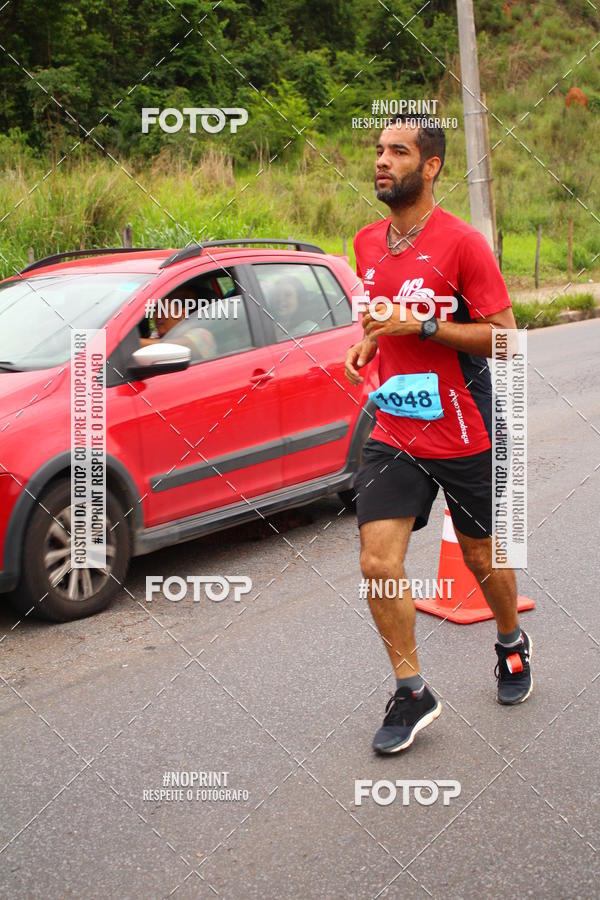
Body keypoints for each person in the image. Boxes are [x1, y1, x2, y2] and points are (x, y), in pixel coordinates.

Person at [344, 114, 532, 755]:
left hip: (464, 427)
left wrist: (423, 327)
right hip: (396, 426)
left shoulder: (463, 245)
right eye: (379, 150)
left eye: (398, 151)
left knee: (481, 559)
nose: (381, 160)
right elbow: (380, 320)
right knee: (377, 562)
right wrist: (368, 344)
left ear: (430, 167)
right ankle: (411, 690)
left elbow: (506, 341)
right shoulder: (365, 242)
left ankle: (509, 639)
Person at [269, 275, 317, 340]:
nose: (280, 299)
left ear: (299, 299)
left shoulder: (309, 330)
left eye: (287, 295)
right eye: (276, 294)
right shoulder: (265, 321)